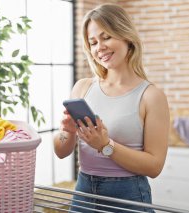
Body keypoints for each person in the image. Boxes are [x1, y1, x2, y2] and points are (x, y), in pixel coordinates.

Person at [53, 3, 169, 212]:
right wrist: (67, 132)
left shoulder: (151, 96)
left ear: (126, 36)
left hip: (128, 195)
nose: (100, 47)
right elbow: (61, 152)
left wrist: (105, 145)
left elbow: (154, 166)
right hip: (83, 192)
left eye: (106, 37)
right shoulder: (82, 88)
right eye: (93, 42)